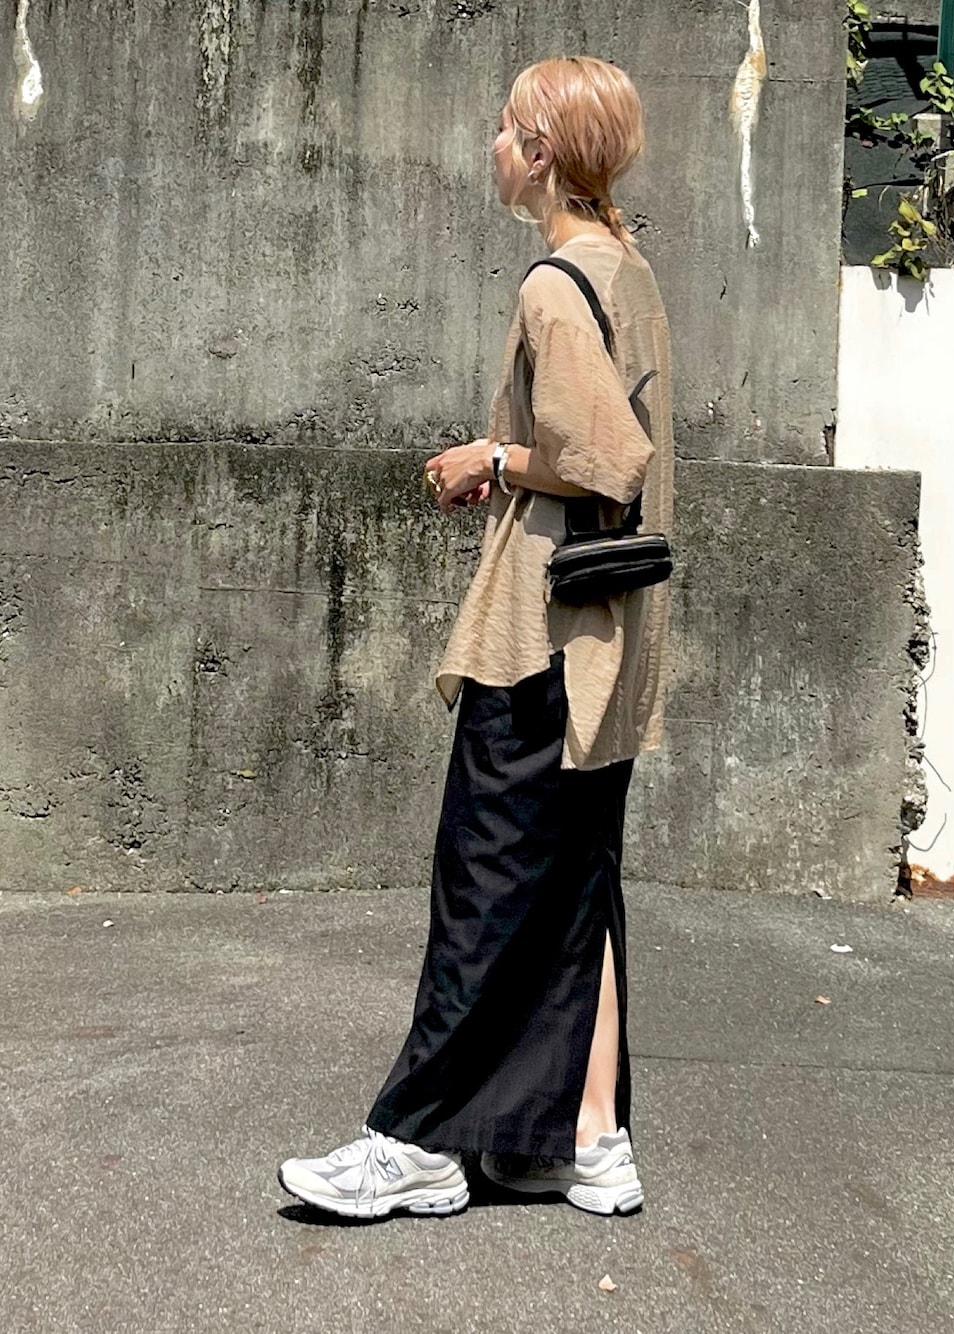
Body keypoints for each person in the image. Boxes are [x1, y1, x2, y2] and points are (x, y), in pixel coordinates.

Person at [278, 55, 673, 1221]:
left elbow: (604, 458)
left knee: (483, 883)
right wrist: (511, 466)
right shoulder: (628, 268)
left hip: (541, 638)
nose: (492, 145)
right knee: (576, 887)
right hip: (611, 638)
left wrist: (489, 457)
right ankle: (585, 1140)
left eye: (506, 129)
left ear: (542, 152)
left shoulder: (555, 282)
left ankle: (418, 1142)